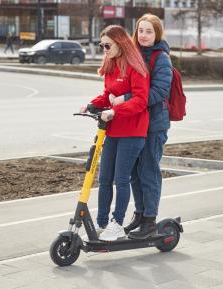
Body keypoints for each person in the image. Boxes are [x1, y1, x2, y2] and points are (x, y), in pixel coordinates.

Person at [80, 25, 150, 241]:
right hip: (113, 130)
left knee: (121, 179)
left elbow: (141, 100)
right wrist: (92, 105)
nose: (104, 49)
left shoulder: (135, 67)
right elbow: (108, 94)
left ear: (120, 43)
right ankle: (102, 224)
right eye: (101, 45)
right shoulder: (111, 66)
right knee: (104, 178)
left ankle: (117, 224)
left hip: (133, 131)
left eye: (107, 45)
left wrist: (114, 110)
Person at [111, 14, 173, 239]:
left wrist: (128, 98)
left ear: (157, 34)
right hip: (134, 124)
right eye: (140, 31)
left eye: (149, 31)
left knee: (148, 171)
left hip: (154, 125)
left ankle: (150, 221)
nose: (144, 35)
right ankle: (139, 213)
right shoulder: (132, 55)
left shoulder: (161, 58)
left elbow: (159, 92)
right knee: (135, 172)